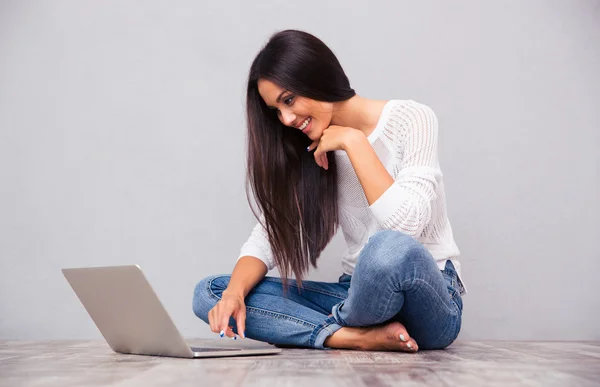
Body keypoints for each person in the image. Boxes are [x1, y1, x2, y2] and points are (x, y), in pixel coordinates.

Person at [193, 29, 467, 352]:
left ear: (316, 76)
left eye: (289, 100)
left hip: (430, 300)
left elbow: (405, 227)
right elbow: (269, 237)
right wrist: (234, 295)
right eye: (276, 111)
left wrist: (353, 142)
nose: (287, 119)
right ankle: (351, 336)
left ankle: (332, 326)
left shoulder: (413, 120)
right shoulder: (312, 151)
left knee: (386, 250)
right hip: (357, 296)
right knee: (212, 293)